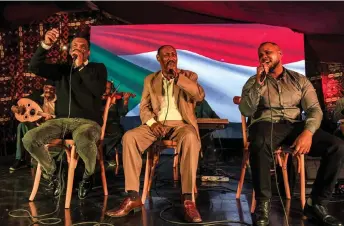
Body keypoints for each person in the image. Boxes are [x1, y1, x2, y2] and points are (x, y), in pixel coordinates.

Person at [239, 42, 344, 226]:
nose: (264, 56)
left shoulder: (299, 80)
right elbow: (247, 110)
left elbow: (314, 110)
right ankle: (263, 205)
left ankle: (316, 203)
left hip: (294, 125)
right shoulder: (253, 81)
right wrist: (258, 84)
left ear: (280, 54)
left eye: (268, 52)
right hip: (265, 124)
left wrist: (308, 133)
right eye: (261, 54)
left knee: (336, 146)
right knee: (260, 141)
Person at [105, 45, 205, 223]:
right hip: (157, 124)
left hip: (182, 125)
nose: (171, 57)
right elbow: (144, 107)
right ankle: (133, 196)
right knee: (130, 137)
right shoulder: (150, 80)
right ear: (158, 59)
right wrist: (152, 123)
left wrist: (178, 78)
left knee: (190, 137)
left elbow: (198, 96)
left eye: (173, 54)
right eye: (166, 55)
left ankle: (188, 199)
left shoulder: (189, 76)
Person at [22, 28, 107, 199]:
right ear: (69, 51)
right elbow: (34, 67)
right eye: (74, 46)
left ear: (88, 52)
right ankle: (53, 173)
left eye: (83, 47)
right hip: (60, 122)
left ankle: (88, 176)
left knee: (83, 139)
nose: (78, 48)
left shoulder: (97, 69)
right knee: (30, 138)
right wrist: (46, 44)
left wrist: (81, 66)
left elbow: (97, 91)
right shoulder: (61, 70)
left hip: (88, 122)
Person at [10, 81, 56, 171]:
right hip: (37, 125)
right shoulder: (37, 96)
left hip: (52, 128)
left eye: (51, 89)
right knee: (21, 126)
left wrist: (51, 118)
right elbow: (21, 102)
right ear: (43, 88)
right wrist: (14, 107)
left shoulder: (60, 100)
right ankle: (20, 159)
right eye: (46, 88)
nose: (48, 91)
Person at [102, 81, 132, 164]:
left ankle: (105, 154)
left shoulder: (116, 99)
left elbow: (122, 113)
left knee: (118, 133)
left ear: (111, 90)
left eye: (107, 89)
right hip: (97, 123)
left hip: (112, 124)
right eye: (103, 87)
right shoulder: (95, 98)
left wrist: (125, 101)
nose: (104, 90)